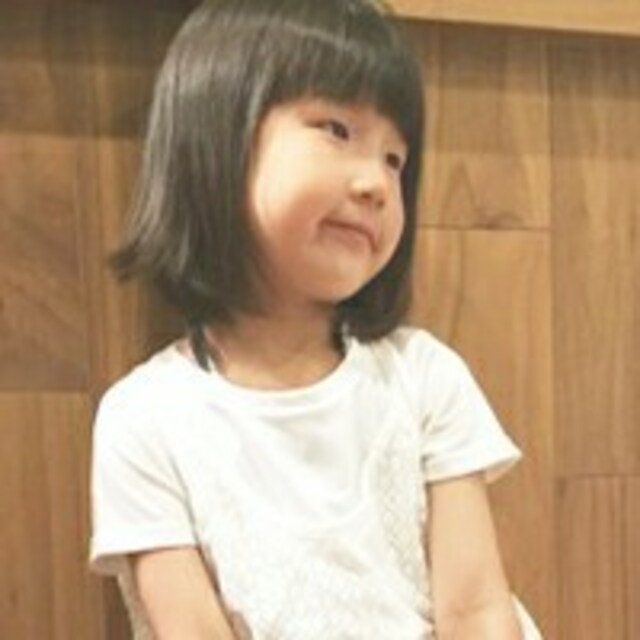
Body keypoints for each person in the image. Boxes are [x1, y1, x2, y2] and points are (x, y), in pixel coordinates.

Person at [89, 0, 543, 638]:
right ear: (217, 139)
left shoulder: (423, 378)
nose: (377, 184)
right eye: (337, 130)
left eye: (395, 159)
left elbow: (476, 610)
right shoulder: (144, 419)